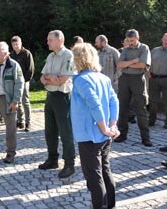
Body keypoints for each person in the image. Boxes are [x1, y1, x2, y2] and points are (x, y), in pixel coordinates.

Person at [71, 43, 120, 209]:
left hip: (90, 135)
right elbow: (114, 101)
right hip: (103, 135)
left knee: (94, 176)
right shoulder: (103, 78)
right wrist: (112, 126)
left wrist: (105, 128)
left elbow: (95, 105)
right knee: (105, 170)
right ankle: (110, 205)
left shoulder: (81, 80)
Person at [39, 30, 76, 178]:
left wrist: (51, 78)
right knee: (50, 131)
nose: (47, 42)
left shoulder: (68, 56)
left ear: (60, 40)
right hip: (51, 96)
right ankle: (52, 159)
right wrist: (50, 78)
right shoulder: (50, 56)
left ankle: (69, 164)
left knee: (65, 131)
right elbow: (42, 78)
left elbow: (62, 80)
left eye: (50, 40)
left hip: (63, 97)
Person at [114, 29, 152, 146]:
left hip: (138, 79)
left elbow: (143, 65)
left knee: (141, 108)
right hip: (124, 79)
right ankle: (122, 135)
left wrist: (128, 63)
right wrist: (135, 61)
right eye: (129, 40)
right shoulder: (125, 49)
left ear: (138, 38)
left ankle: (145, 138)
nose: (131, 42)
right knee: (122, 108)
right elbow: (120, 65)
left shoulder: (144, 48)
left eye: (133, 40)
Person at [148, 33, 167, 129]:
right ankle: (151, 120)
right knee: (153, 101)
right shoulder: (154, 50)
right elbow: (148, 62)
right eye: (165, 39)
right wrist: (148, 72)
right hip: (153, 79)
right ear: (162, 39)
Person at [10, 36, 34, 131]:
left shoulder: (27, 53)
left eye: (17, 44)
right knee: (17, 102)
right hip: (15, 82)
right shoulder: (11, 55)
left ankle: (28, 122)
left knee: (25, 101)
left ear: (21, 43)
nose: (16, 46)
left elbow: (31, 69)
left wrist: (25, 80)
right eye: (14, 45)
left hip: (24, 81)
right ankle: (21, 121)